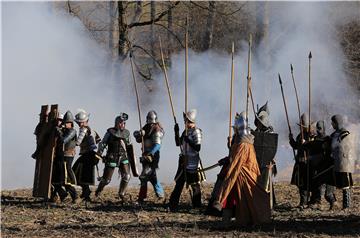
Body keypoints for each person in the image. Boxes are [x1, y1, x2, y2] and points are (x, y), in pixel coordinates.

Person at [213, 112, 271, 226]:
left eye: (235, 128)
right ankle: (227, 221)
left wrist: (228, 175)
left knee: (246, 199)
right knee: (231, 199)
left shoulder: (243, 144)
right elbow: (234, 157)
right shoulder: (240, 141)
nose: (234, 130)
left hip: (244, 174)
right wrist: (227, 156)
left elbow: (237, 162)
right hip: (239, 173)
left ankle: (245, 221)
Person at [169, 109, 205, 211]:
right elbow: (178, 143)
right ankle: (173, 204)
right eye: (185, 121)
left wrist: (188, 140)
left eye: (187, 120)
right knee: (179, 183)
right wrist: (176, 131)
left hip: (193, 162)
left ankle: (197, 206)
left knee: (194, 185)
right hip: (184, 161)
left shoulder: (196, 131)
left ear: (191, 121)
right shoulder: (185, 131)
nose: (185, 122)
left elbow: (198, 148)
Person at [95, 113, 136, 200]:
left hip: (123, 157)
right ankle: (98, 191)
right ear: (117, 123)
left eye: (124, 123)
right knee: (106, 180)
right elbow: (103, 143)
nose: (122, 125)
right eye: (121, 123)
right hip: (112, 157)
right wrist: (99, 153)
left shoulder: (126, 133)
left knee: (127, 176)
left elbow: (129, 145)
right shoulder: (110, 132)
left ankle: (121, 194)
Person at [133, 110, 165, 202]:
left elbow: (157, 145)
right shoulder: (146, 127)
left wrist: (150, 153)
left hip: (153, 156)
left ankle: (142, 197)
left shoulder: (156, 129)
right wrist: (138, 135)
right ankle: (160, 194)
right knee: (152, 176)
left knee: (144, 176)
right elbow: (140, 140)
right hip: (145, 155)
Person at [72, 109, 101, 202]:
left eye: (81, 122)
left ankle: (86, 192)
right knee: (83, 175)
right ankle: (86, 193)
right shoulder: (93, 130)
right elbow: (98, 140)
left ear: (86, 121)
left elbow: (77, 142)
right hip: (92, 155)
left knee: (75, 172)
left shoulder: (83, 130)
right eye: (78, 123)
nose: (79, 124)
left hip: (88, 155)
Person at [328, 114, 354, 209]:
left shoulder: (345, 133)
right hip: (335, 162)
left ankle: (346, 206)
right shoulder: (333, 135)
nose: (332, 125)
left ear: (336, 122)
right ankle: (335, 203)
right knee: (334, 184)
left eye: (333, 123)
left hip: (344, 163)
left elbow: (346, 148)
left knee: (345, 187)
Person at [289, 113, 311, 208]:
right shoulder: (299, 135)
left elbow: (313, 147)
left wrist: (306, 142)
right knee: (300, 184)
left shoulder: (310, 135)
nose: (300, 127)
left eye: (302, 126)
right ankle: (303, 201)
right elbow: (296, 147)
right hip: (299, 162)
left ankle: (305, 202)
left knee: (305, 183)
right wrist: (291, 139)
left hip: (306, 163)